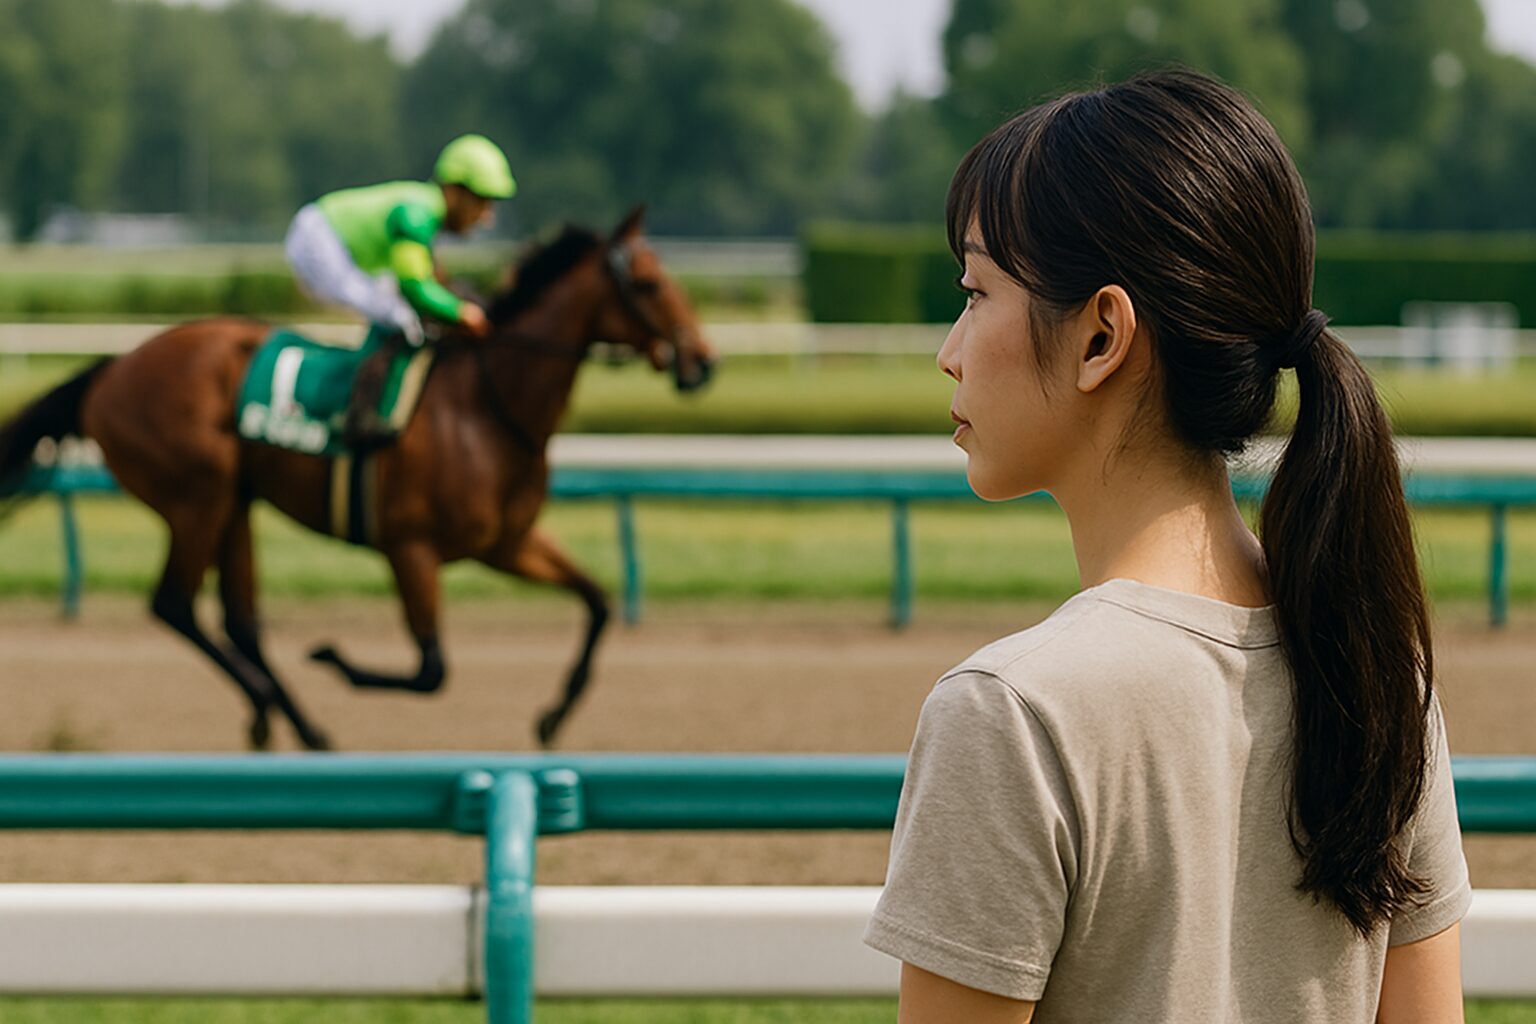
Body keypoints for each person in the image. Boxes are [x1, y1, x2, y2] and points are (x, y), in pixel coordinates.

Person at [863, 70, 1469, 1023]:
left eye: (975, 291)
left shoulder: (1013, 713)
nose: (950, 347)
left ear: (1103, 334)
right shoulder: (1378, 674)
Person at [282, 133, 515, 445]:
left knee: (399, 315)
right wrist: (460, 313)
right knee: (401, 318)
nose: (486, 216)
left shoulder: (425, 209)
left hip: (333, 241)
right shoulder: (417, 214)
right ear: (454, 191)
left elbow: (429, 276)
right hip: (318, 242)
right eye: (482, 201)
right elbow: (414, 286)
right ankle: (357, 411)